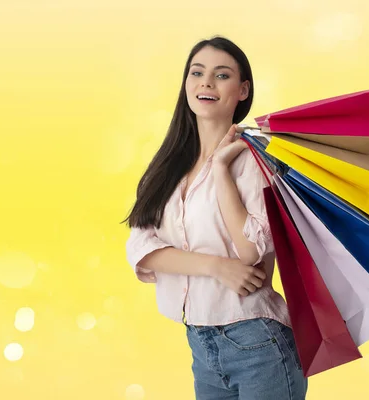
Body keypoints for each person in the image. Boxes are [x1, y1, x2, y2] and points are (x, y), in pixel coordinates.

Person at [123, 35, 308, 400]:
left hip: (258, 343)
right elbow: (140, 245)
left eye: (221, 75)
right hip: (202, 346)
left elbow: (250, 251)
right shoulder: (167, 166)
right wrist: (215, 267)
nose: (206, 82)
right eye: (197, 72)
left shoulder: (256, 162)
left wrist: (222, 169)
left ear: (242, 90)